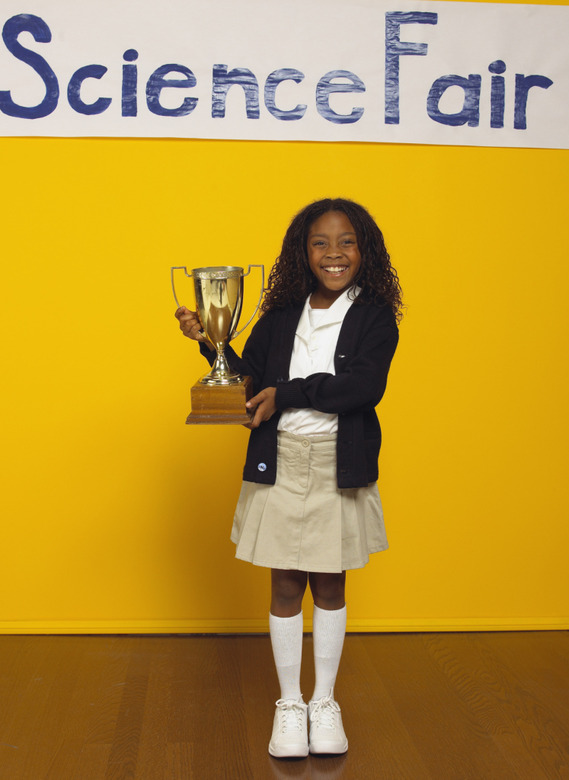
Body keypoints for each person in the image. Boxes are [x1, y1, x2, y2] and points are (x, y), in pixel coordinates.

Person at [175, 198, 402, 759]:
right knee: (283, 585)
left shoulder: (375, 317)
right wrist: (209, 341)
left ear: (364, 250)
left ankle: (325, 701)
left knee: (329, 583)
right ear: (302, 252)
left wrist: (291, 392)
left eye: (346, 241)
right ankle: (290, 703)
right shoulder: (280, 315)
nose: (333, 254)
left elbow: (362, 387)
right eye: (320, 242)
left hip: (335, 462)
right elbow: (249, 379)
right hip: (279, 461)